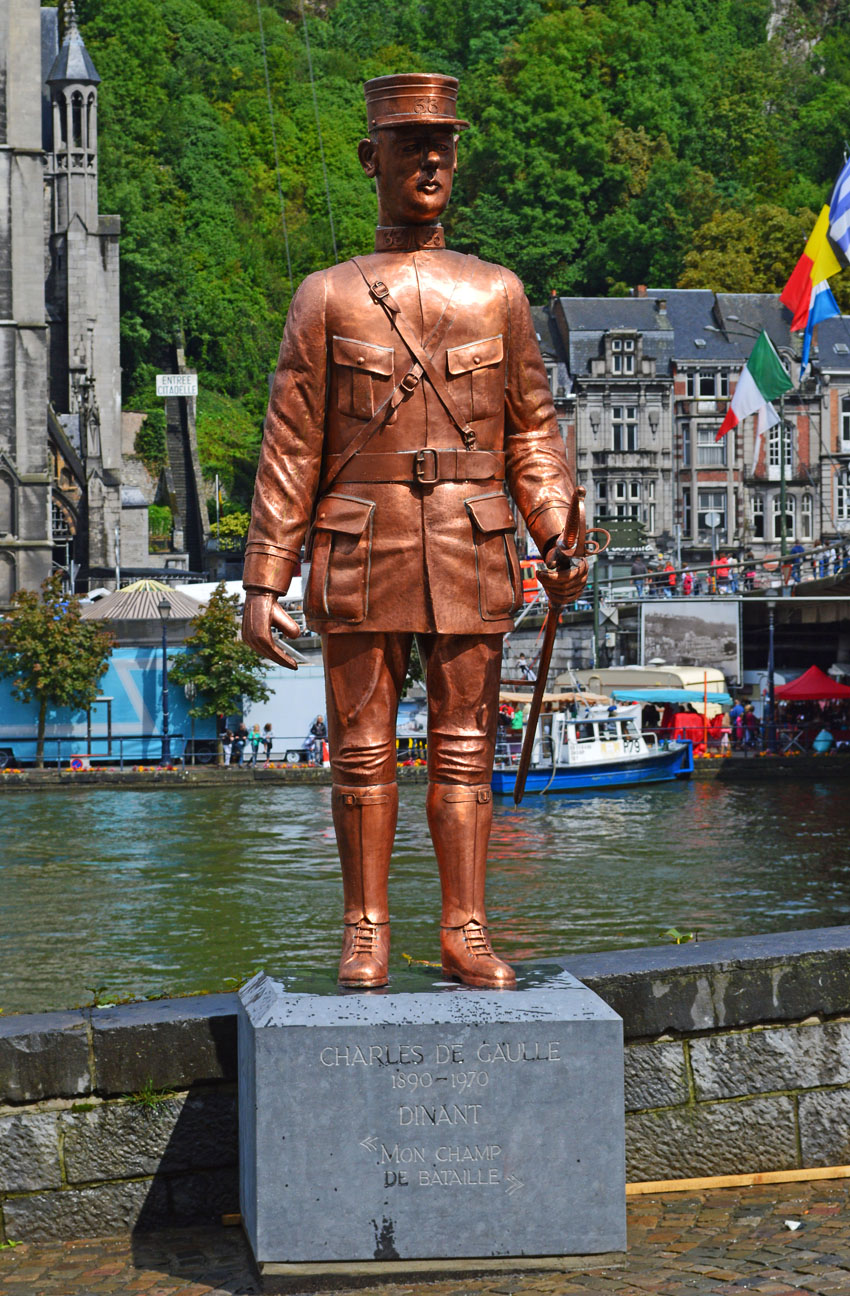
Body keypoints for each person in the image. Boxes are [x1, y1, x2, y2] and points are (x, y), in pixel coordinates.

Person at [241, 74, 588, 989]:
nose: (430, 158)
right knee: (359, 752)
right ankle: (365, 931)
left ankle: (464, 928)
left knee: (466, 747)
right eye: (409, 144)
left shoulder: (499, 295)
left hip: (473, 540)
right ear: (372, 160)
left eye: (443, 142)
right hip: (362, 537)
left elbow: (533, 432)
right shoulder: (327, 298)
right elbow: (290, 446)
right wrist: (262, 579)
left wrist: (556, 529)